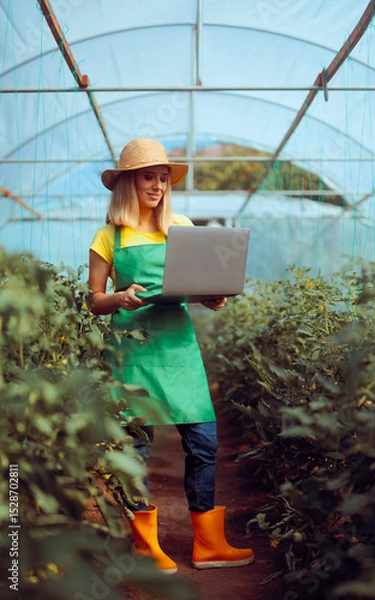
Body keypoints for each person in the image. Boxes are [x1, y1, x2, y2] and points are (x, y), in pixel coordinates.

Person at [89, 137, 254, 574]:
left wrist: (211, 298)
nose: (158, 185)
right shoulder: (108, 235)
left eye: (163, 178)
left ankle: (209, 544)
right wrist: (120, 298)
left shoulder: (180, 224)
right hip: (134, 346)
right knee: (137, 447)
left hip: (179, 345)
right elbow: (94, 300)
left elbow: (198, 281)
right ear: (129, 182)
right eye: (150, 177)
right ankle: (146, 547)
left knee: (203, 441)